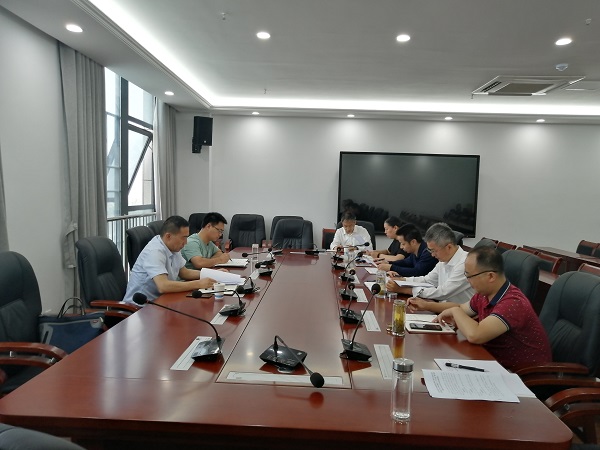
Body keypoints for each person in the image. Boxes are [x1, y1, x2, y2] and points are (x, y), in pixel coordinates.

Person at [433, 246, 552, 371]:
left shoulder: (513, 303)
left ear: (490, 276)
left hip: (525, 374)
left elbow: (475, 335)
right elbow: (463, 309)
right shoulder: (484, 294)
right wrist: (434, 307)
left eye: (470, 276)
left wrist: (455, 311)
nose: (468, 281)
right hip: (494, 362)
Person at [123, 215, 215, 304]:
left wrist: (212, 274)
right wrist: (198, 284)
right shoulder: (155, 251)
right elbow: (163, 286)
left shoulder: (173, 247)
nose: (186, 242)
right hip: (139, 307)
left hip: (161, 300)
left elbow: (184, 273)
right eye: (183, 238)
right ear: (168, 236)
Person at [386, 222, 473, 313]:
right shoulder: (443, 260)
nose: (432, 255)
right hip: (443, 310)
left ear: (449, 247)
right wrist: (402, 280)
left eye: (434, 251)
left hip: (461, 315)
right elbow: (427, 280)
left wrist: (406, 290)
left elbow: (443, 292)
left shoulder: (465, 263)